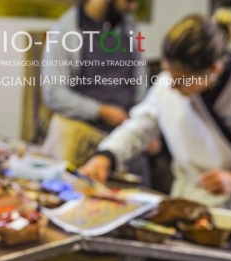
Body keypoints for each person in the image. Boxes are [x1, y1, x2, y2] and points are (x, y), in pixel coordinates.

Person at [81, 9, 231, 215]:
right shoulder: (166, 85)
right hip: (186, 204)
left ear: (214, 70)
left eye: (181, 80)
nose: (172, 86)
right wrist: (106, 156)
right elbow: (139, 128)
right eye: (169, 74)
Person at [41, 0, 151, 182]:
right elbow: (53, 92)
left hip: (127, 144)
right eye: (129, 1)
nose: (133, 7)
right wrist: (100, 110)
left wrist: (145, 126)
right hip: (82, 147)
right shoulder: (67, 30)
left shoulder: (129, 26)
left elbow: (140, 80)